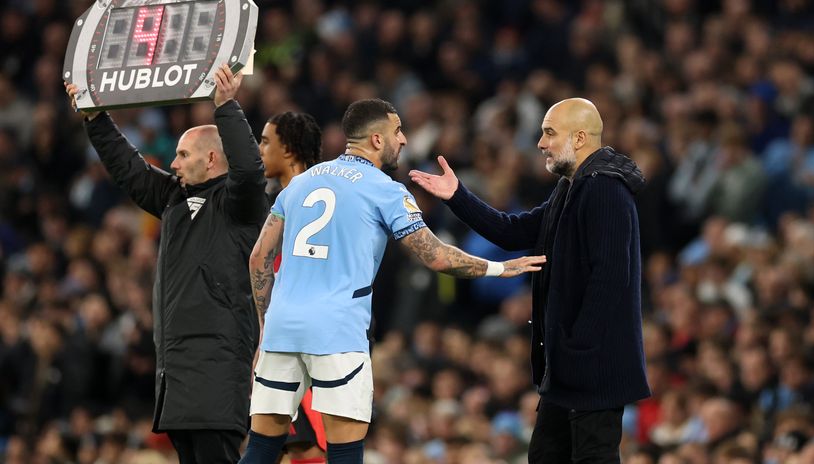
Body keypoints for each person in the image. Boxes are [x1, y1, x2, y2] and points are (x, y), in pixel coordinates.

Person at [241, 98, 546, 464]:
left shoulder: (301, 182)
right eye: (397, 131)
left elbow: (259, 257)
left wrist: (265, 326)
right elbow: (436, 256)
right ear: (375, 139)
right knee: (345, 454)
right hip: (337, 333)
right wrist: (500, 268)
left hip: (282, 328)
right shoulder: (384, 189)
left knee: (261, 449)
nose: (403, 140)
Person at [410, 98, 651, 464]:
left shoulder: (605, 190)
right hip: (568, 366)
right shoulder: (573, 186)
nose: (540, 142)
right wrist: (458, 197)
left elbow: (611, 278)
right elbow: (513, 232)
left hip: (592, 365)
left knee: (593, 457)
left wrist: (578, 346)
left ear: (581, 137)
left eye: (550, 132)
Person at [65, 65, 267, 463]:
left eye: (182, 154)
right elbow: (130, 169)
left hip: (217, 367)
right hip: (175, 371)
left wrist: (226, 107)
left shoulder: (239, 206)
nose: (173, 163)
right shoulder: (174, 199)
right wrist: (95, 117)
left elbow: (249, 170)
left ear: (211, 159)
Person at [258, 111, 328, 463]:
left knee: (307, 444)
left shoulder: (309, 198)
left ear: (288, 150)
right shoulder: (280, 198)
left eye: (266, 141)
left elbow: (261, 261)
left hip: (306, 341)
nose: (260, 149)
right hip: (292, 336)